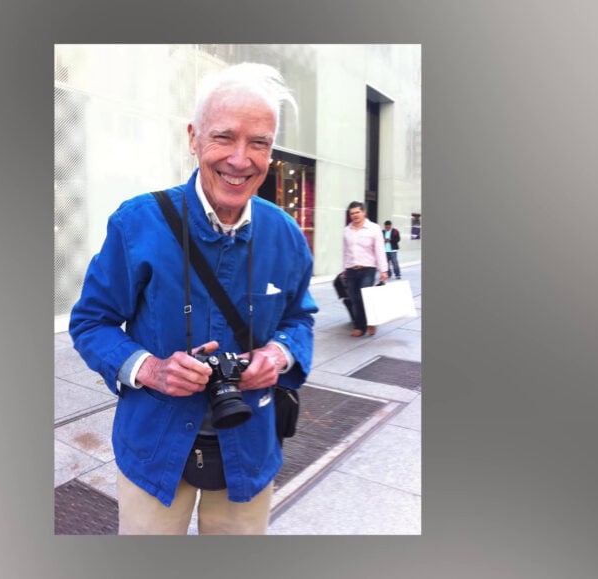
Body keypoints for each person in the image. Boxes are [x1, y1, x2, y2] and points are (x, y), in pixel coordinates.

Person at [69, 63, 317, 535]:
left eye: (259, 142)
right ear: (194, 138)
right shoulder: (137, 223)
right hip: (154, 448)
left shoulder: (285, 234)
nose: (241, 159)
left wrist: (278, 354)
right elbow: (90, 323)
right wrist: (150, 368)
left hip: (250, 448)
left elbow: (300, 319)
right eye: (224, 137)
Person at [341, 201, 388, 337]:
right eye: (352, 213)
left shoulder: (374, 228)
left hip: (368, 268)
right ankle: (359, 327)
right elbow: (345, 251)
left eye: (357, 212)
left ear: (364, 212)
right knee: (354, 299)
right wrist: (344, 268)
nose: (355, 215)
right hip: (351, 269)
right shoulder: (347, 230)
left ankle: (370, 321)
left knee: (365, 297)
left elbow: (379, 249)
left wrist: (383, 270)